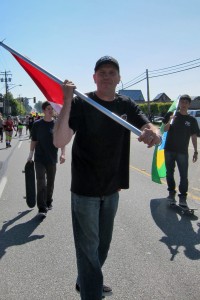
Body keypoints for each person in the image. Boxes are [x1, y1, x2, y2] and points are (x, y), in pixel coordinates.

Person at [53, 56, 162, 300]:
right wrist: (68, 100)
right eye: (101, 72)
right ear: (94, 77)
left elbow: (149, 127)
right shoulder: (82, 103)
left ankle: (87, 280)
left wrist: (153, 133)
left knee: (102, 247)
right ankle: (92, 291)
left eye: (112, 72)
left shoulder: (126, 104)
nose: (106, 76)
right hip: (84, 191)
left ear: (118, 78)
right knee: (88, 250)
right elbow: (59, 141)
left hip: (112, 189)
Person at [27, 101, 66, 217]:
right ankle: (42, 208)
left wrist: (63, 154)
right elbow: (34, 140)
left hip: (52, 158)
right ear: (43, 111)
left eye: (52, 109)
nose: (51, 110)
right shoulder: (37, 124)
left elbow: (62, 140)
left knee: (50, 183)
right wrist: (30, 155)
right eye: (48, 109)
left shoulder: (57, 124)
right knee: (41, 182)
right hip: (39, 158)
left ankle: (49, 201)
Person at [163, 94, 199, 208]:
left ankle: (182, 197)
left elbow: (194, 136)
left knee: (183, 175)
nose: (183, 105)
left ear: (189, 104)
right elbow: (165, 129)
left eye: (186, 103)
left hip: (182, 152)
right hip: (169, 149)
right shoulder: (172, 115)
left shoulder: (191, 120)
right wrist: (170, 120)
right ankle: (171, 194)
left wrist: (195, 151)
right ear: (179, 104)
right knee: (169, 173)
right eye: (181, 102)